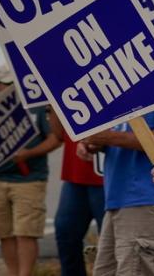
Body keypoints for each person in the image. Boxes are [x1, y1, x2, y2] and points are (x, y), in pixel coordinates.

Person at [79, 94, 154, 276]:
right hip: (120, 198)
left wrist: (107, 137)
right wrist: (94, 142)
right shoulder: (123, 85)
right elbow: (120, 134)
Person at [0, 65, 59, 276]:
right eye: (5, 84)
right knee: (3, 233)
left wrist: (29, 153)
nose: (9, 88)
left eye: (12, 84)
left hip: (30, 179)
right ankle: (13, 273)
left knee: (27, 233)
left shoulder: (37, 109)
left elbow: (55, 138)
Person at [50, 113, 105, 276]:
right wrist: (51, 106)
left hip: (108, 178)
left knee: (113, 242)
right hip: (76, 176)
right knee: (65, 234)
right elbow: (59, 135)